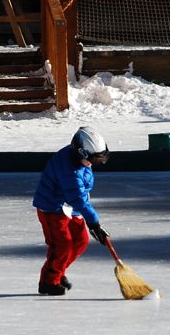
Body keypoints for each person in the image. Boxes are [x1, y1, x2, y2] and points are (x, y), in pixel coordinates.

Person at [32, 127, 111, 296]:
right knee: (62, 245)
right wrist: (94, 223)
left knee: (81, 240)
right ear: (80, 153)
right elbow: (78, 197)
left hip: (69, 207)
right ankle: (48, 282)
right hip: (52, 208)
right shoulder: (70, 171)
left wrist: (92, 224)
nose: (93, 164)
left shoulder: (81, 161)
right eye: (91, 160)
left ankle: (57, 272)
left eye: (98, 160)